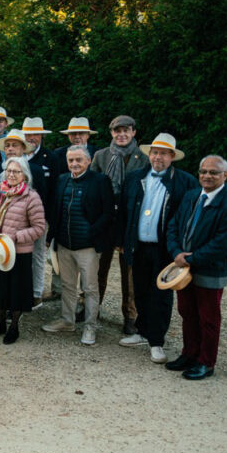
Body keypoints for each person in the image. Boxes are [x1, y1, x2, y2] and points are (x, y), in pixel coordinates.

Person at [117, 134, 197, 363]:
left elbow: (187, 219)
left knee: (161, 294)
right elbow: (124, 211)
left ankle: (157, 341)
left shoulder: (185, 181)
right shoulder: (135, 178)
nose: (157, 157)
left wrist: (181, 248)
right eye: (154, 152)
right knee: (140, 290)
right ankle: (142, 331)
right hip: (139, 245)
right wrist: (123, 241)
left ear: (172, 156)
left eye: (163, 153)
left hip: (165, 249)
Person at [165, 155, 227, 380]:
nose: (207, 176)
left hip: (210, 269)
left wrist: (192, 258)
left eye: (214, 172)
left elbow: (224, 243)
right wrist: (176, 253)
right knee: (187, 313)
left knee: (208, 318)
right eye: (204, 171)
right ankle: (189, 354)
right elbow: (173, 226)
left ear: (225, 175)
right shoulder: (191, 196)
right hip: (184, 268)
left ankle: (206, 362)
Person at [42, 146, 114, 345]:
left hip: (88, 247)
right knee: (67, 285)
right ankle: (67, 320)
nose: (74, 164)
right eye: (71, 160)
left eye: (78, 160)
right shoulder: (62, 180)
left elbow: (108, 213)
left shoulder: (100, 181)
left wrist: (91, 233)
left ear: (89, 161)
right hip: (64, 244)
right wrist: (52, 237)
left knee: (90, 288)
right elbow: (56, 211)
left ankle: (90, 326)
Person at [91, 115, 149, 334]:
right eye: (117, 131)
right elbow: (94, 187)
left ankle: (130, 316)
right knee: (98, 269)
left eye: (126, 130)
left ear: (133, 132)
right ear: (112, 133)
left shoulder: (143, 157)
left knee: (130, 271)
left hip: (131, 221)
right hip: (106, 219)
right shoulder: (101, 156)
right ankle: (92, 308)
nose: (121, 134)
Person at [0, 157, 46, 344]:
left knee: (16, 291)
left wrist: (16, 236)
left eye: (15, 171)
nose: (11, 174)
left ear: (24, 175)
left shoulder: (31, 196)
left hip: (19, 252)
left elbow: (39, 227)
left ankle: (14, 327)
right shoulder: (1, 192)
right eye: (8, 171)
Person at [21, 117, 56, 307]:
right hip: (18, 215)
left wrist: (49, 220)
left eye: (34, 133)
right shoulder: (19, 155)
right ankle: (22, 289)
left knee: (38, 255)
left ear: (41, 134)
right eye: (27, 133)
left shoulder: (50, 158)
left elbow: (53, 192)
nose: (30, 137)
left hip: (39, 215)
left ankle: (36, 293)